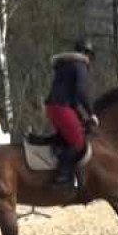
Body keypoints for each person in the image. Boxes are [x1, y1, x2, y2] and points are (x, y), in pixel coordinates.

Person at [44, 38, 99, 185]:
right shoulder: (79, 65)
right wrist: (91, 113)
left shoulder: (66, 65)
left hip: (57, 106)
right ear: (87, 53)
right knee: (78, 142)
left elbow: (73, 97)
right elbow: (81, 92)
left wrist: (82, 116)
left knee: (71, 136)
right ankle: (62, 174)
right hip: (61, 107)